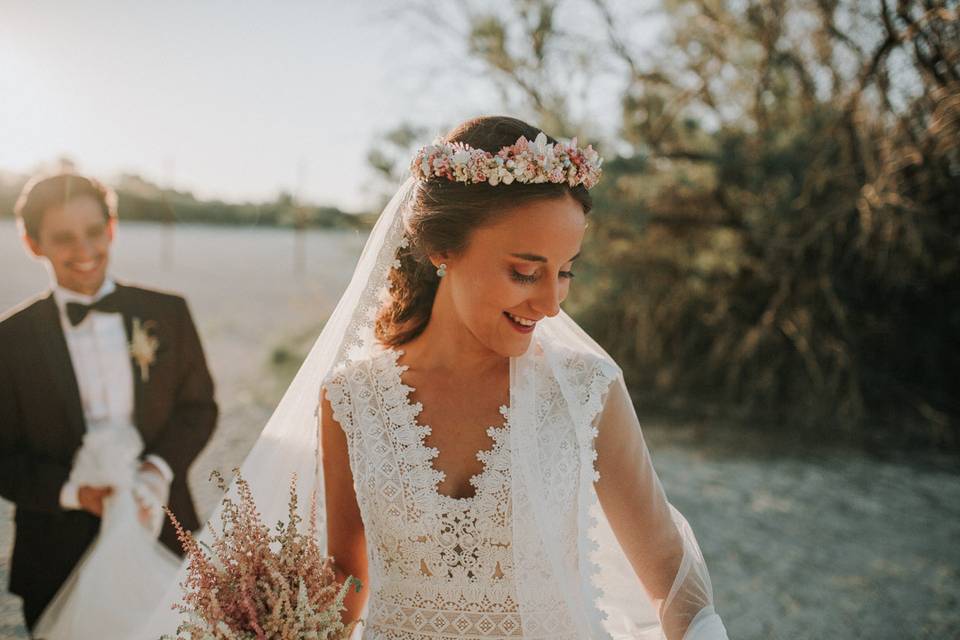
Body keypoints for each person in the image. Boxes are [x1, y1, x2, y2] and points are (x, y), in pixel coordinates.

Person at [138, 115, 728, 639]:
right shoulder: (352, 399)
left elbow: (670, 575)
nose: (551, 303)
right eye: (526, 272)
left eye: (565, 271)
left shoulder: (586, 390)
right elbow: (348, 577)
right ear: (443, 249)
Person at [0, 173, 218, 636]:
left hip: (161, 530)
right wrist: (72, 493)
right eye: (63, 238)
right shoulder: (9, 341)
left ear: (112, 228)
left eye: (95, 232)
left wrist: (158, 471)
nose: (84, 250)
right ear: (33, 243)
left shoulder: (168, 313)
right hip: (56, 552)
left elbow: (198, 408)